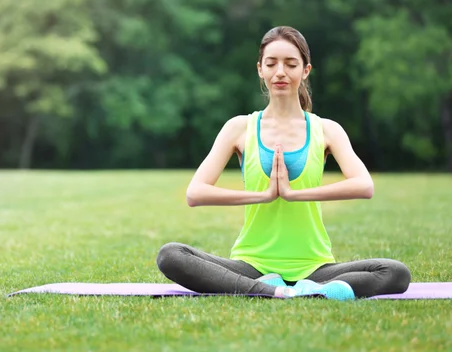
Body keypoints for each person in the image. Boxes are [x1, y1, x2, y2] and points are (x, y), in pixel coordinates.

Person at [156, 26, 411, 300]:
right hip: (252, 266)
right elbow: (195, 193)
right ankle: (277, 290)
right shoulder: (240, 127)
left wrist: (293, 194)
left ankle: (299, 290)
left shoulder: (326, 130)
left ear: (305, 70)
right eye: (271, 63)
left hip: (314, 267)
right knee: (171, 255)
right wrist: (263, 196)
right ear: (260, 69)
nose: (280, 72)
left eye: (291, 64)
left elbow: (364, 186)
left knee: (395, 272)